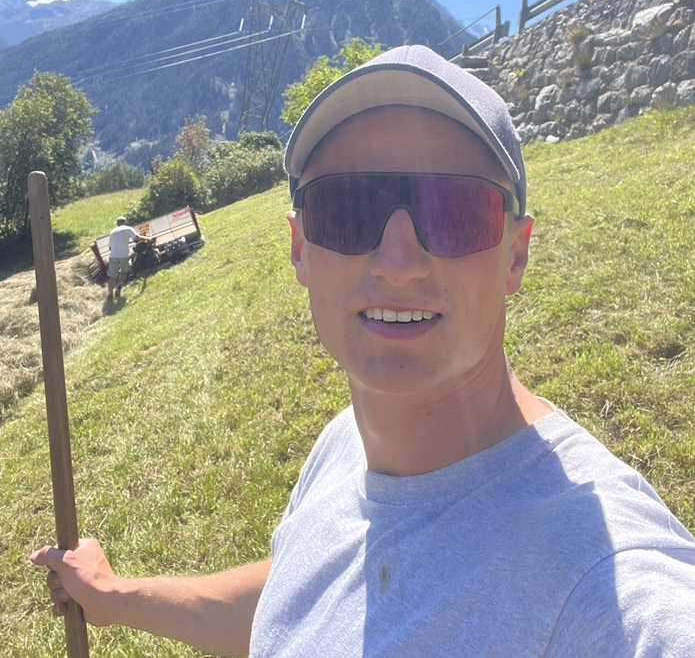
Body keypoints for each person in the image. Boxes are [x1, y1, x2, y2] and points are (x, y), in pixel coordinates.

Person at [32, 46, 695, 656]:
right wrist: (119, 598)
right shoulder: (344, 443)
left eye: (454, 210)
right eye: (347, 207)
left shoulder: (606, 585)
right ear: (300, 248)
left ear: (515, 255)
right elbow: (307, 599)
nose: (398, 263)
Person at [106, 215, 148, 299]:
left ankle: (110, 294)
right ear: (124, 222)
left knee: (112, 276)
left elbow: (110, 248)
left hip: (113, 256)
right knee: (124, 271)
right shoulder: (128, 229)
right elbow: (137, 238)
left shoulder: (112, 232)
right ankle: (119, 285)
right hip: (124, 255)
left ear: (117, 223)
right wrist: (147, 238)